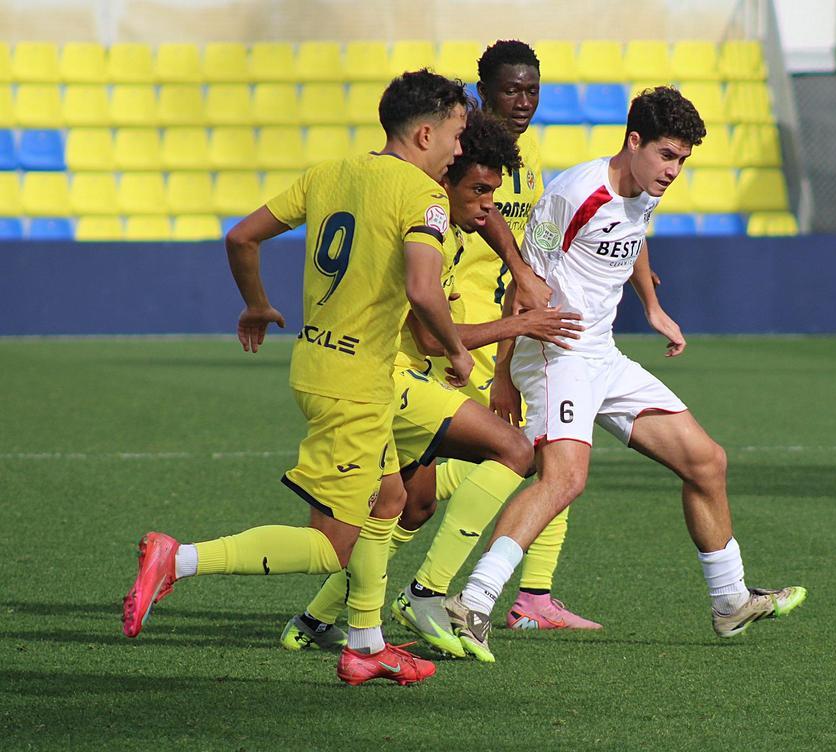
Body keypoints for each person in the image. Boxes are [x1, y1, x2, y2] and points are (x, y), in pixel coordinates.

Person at [121, 70, 473, 687]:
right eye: (456, 135)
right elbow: (422, 288)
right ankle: (180, 559)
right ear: (423, 134)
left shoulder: (328, 173)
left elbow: (242, 237)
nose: (459, 150)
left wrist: (256, 304)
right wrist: (456, 351)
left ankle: (365, 643)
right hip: (356, 386)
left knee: (389, 499)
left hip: (319, 365)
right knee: (333, 545)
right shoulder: (425, 196)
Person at [444, 87, 807, 662]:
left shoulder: (645, 188)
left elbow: (633, 237)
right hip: (555, 349)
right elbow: (523, 283)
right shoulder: (573, 194)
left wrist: (653, 308)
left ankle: (730, 601)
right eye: (667, 155)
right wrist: (507, 374)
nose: (674, 170)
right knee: (564, 480)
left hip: (603, 356)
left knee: (706, 461)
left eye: (683, 160)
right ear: (633, 142)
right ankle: (474, 600)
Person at [279, 109, 585, 659]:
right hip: (383, 381)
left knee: (408, 506)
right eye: (481, 191)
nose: (491, 206)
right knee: (515, 449)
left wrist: (517, 269)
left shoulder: (447, 212)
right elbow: (424, 333)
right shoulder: (426, 222)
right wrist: (513, 326)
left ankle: (318, 618)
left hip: (383, 377)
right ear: (446, 176)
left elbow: (484, 219)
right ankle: (427, 594)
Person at [406, 40, 603, 646]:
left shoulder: (528, 154)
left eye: (533, 91)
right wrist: (517, 280)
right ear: (482, 92)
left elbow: (519, 228)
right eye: (511, 90)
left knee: (548, 454)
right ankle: (372, 585)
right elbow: (477, 222)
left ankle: (532, 595)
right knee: (422, 486)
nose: (524, 102)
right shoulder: (459, 150)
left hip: (510, 329)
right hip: (460, 332)